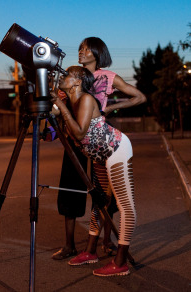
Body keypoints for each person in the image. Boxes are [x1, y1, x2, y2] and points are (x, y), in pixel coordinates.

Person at [52, 37, 146, 261]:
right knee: (72, 188)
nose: (81, 51)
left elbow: (139, 97)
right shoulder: (72, 76)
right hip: (77, 139)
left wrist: (112, 106)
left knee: (107, 196)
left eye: (85, 48)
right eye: (80, 48)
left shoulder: (107, 77)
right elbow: (59, 110)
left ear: (97, 52)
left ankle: (108, 242)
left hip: (98, 136)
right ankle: (73, 245)